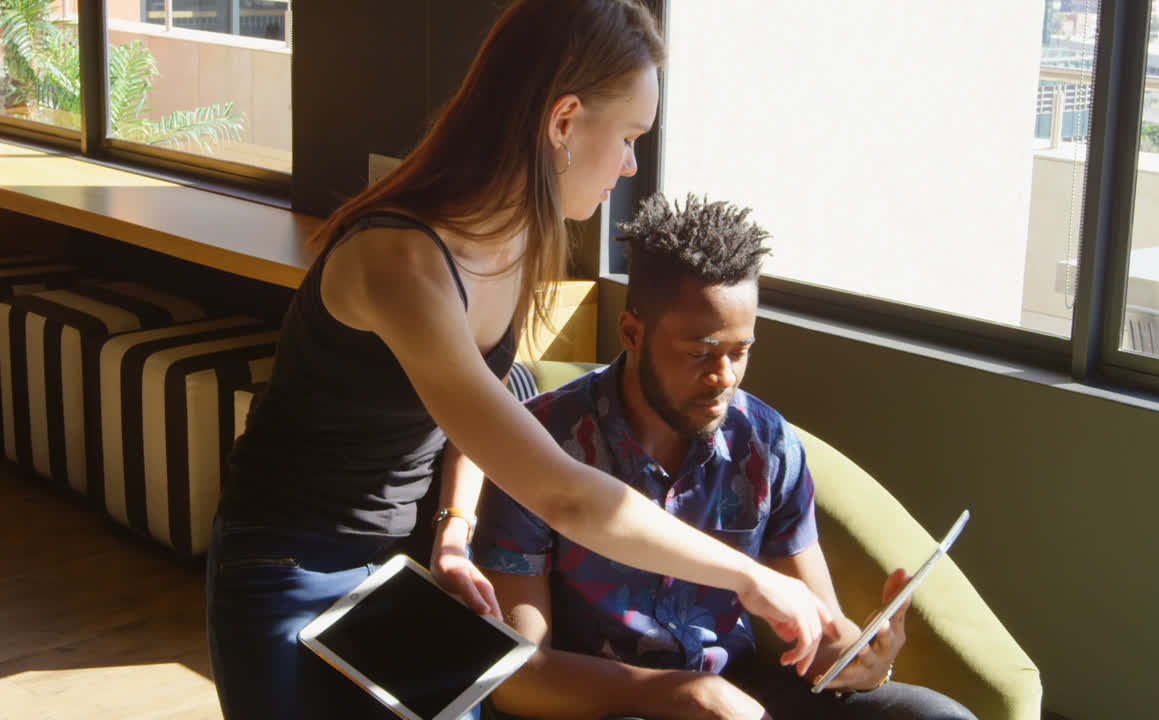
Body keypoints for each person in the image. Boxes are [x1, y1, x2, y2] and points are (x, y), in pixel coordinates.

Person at [204, 2, 835, 719]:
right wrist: (750, 577)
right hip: (290, 564)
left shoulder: (515, 239)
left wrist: (453, 530)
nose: (631, 164)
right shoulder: (402, 263)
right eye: (628, 137)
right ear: (563, 122)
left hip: (395, 563)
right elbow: (567, 497)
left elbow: (482, 416)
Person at [472, 194, 978, 720]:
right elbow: (518, 680)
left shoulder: (764, 444)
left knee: (934, 716)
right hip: (600, 703)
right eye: (700, 353)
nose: (724, 377)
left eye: (740, 352)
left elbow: (820, 630)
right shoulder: (539, 445)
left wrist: (858, 657)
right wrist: (680, 693)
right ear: (632, 333)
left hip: (736, 694)